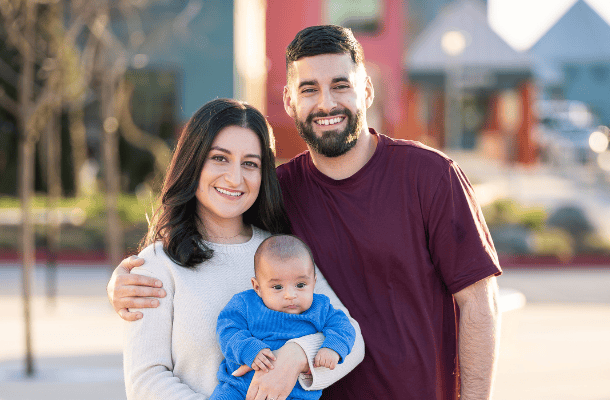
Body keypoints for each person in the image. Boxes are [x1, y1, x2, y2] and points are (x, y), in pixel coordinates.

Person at [109, 25, 502, 400]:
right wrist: (124, 281)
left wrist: (298, 354)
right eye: (309, 88)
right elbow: (210, 244)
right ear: (288, 101)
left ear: (366, 90)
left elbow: (479, 304)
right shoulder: (278, 193)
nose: (326, 103)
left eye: (341, 85)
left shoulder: (429, 176)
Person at [122, 98, 364, 400]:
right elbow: (145, 379)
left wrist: (298, 355)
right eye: (220, 158)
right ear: (193, 161)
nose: (235, 178)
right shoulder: (157, 264)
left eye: (250, 164)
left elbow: (352, 341)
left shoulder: (280, 252)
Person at [211, 234, 356, 400]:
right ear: (257, 287)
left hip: (296, 394)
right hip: (240, 389)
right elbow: (227, 328)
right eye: (277, 287)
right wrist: (247, 348)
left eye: (300, 285)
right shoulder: (245, 304)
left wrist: (332, 348)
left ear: (314, 283)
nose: (290, 295)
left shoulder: (320, 308)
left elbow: (344, 327)